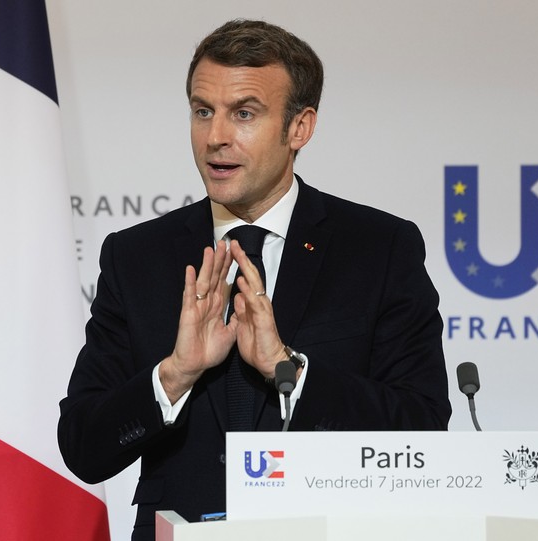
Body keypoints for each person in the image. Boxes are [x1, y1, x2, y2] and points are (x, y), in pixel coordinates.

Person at [58, 19, 451, 540]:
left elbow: (421, 428)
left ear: (299, 128)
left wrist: (288, 370)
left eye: (244, 113)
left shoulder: (378, 248)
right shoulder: (138, 256)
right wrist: (175, 374)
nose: (216, 137)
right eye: (203, 111)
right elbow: (84, 446)